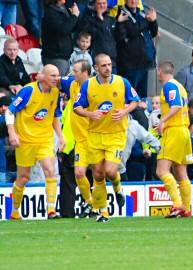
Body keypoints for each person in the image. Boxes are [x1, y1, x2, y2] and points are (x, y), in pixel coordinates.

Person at [74, 54, 140, 222]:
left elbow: (135, 101)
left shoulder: (121, 82)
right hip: (95, 135)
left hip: (116, 135)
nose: (107, 68)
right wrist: (90, 113)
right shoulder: (88, 85)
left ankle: (118, 188)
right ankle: (103, 212)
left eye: (109, 64)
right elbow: (77, 107)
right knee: (98, 174)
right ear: (96, 68)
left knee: (111, 171)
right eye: (103, 65)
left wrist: (124, 111)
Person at [5, 64, 65, 220]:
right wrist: (12, 132)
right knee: (23, 177)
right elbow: (10, 111)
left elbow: (55, 116)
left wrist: (61, 136)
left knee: (50, 171)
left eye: (58, 75)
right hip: (25, 141)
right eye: (53, 75)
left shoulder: (56, 93)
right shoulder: (29, 90)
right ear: (42, 76)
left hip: (44, 139)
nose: (56, 78)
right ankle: (15, 211)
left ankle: (51, 210)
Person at [155, 61, 193, 218]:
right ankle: (186, 207)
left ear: (160, 72)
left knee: (161, 170)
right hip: (184, 131)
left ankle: (177, 205)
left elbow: (176, 105)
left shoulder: (169, 86)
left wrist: (163, 120)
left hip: (174, 131)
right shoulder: (180, 87)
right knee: (181, 171)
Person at [60, 60, 94, 218]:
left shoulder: (95, 88)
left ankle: (115, 193)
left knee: (102, 173)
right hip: (79, 140)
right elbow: (55, 78)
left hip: (95, 137)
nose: (73, 74)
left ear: (85, 73)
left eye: (76, 71)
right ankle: (90, 203)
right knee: (79, 173)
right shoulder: (72, 84)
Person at [115, 0, 158, 98]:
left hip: (143, 64)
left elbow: (153, 33)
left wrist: (153, 21)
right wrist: (147, 21)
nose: (133, 1)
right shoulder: (122, 14)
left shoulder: (141, 14)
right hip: (130, 66)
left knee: (141, 99)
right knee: (128, 97)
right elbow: (131, 30)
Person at [41, 0, 80, 76]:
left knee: (64, 84)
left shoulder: (64, 8)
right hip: (55, 56)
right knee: (57, 84)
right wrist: (74, 16)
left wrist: (75, 16)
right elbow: (63, 30)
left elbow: (73, 27)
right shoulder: (50, 12)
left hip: (65, 55)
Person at [78, 0, 118, 72]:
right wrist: (100, 20)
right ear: (94, 5)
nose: (102, 6)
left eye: (104, 3)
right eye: (99, 3)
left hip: (112, 61)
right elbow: (93, 35)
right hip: (97, 60)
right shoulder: (88, 19)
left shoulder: (110, 19)